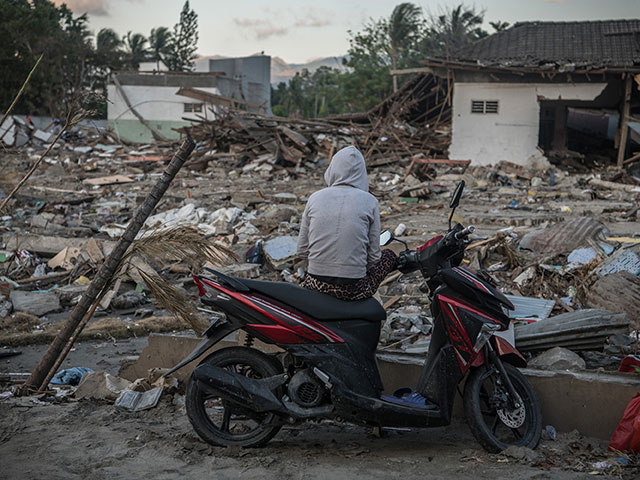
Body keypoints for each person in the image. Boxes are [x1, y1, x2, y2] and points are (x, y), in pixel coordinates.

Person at [297, 146, 397, 301]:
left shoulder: (315, 198)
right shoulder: (370, 201)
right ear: (362, 173)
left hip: (314, 283)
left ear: (332, 169)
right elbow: (374, 257)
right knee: (389, 255)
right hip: (353, 288)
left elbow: (302, 251)